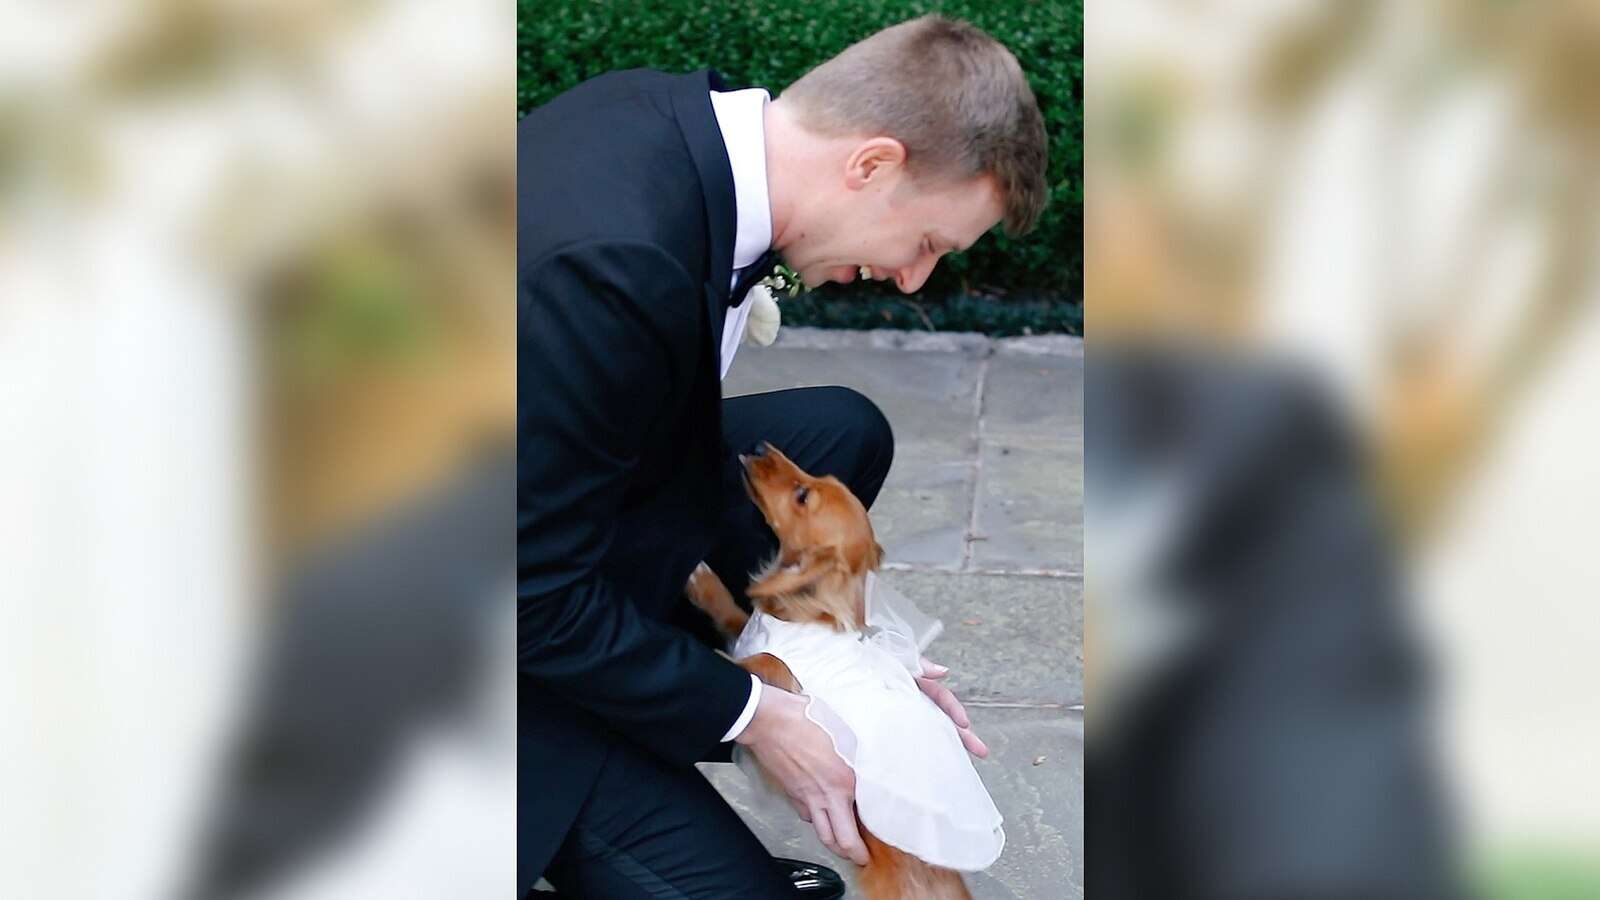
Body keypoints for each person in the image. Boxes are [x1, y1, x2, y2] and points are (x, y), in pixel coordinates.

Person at [518, 14, 1049, 898]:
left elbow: (643, 438)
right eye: (927, 244)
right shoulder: (613, 267)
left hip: (533, 501)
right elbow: (525, 593)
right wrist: (758, 715)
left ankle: (665, 681)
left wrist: (859, 661)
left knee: (839, 432)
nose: (915, 279)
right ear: (871, 164)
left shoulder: (685, 122)